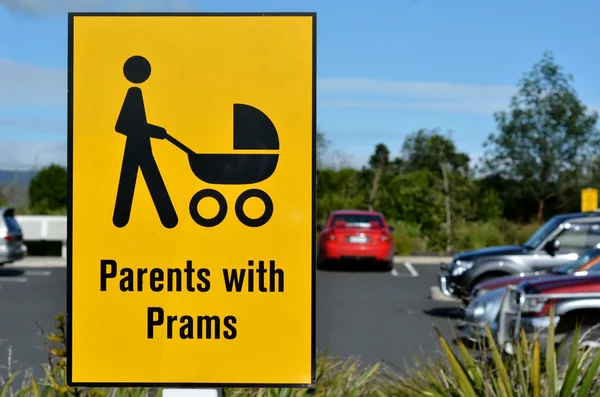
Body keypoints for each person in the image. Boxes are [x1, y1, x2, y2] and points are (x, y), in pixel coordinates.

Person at [112, 55, 178, 229]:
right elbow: (121, 126)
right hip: (135, 145)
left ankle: (169, 220)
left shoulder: (137, 94)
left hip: (142, 146)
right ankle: (120, 221)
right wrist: (153, 131)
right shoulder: (133, 94)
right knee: (130, 180)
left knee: (148, 179)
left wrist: (151, 130)